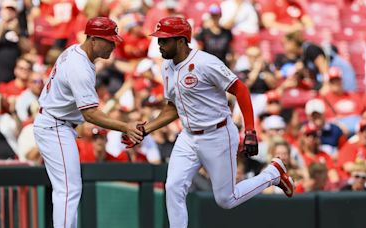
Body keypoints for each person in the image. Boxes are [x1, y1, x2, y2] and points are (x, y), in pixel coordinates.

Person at [122, 16, 295, 228]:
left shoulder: (205, 62)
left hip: (217, 133)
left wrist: (250, 130)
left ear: (181, 40)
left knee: (226, 199)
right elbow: (172, 107)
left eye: (164, 40)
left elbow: (240, 88)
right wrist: (146, 128)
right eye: (159, 39)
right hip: (188, 135)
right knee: (173, 186)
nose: (159, 44)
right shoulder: (167, 67)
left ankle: (273, 173)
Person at [33, 17, 144, 228]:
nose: (114, 45)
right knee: (68, 189)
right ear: (93, 39)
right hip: (55, 125)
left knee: (68, 189)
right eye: (109, 40)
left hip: (56, 122)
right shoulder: (80, 66)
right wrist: (125, 126)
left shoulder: (77, 53)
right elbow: (91, 114)